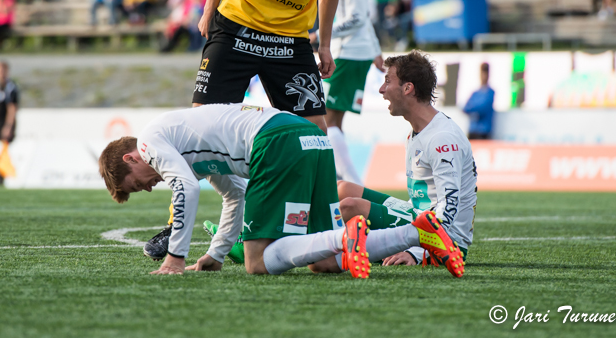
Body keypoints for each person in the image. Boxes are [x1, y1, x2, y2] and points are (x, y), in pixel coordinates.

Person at [140, 0, 377, 260]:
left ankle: (321, 227)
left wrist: (326, 43)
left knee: (317, 133)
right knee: (199, 127)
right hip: (235, 28)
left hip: (290, 42)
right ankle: (175, 226)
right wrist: (208, 9)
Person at [98, 103, 465, 278]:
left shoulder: (149, 142)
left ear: (132, 158)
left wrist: (175, 258)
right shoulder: (189, 148)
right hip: (310, 139)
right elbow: (233, 195)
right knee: (323, 264)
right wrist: (217, 252)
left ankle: (345, 237)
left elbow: (186, 191)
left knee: (258, 263)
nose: (147, 188)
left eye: (136, 183)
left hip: (277, 142)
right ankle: (418, 232)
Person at [337, 51, 477, 267]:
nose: (382, 90)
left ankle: (321, 244)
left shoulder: (442, 138)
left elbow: (448, 207)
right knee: (342, 188)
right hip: (416, 216)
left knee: (349, 207)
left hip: (444, 241)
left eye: (387, 81)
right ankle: (328, 243)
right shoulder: (417, 132)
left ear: (407, 88)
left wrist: (416, 253)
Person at [323, 0, 384, 185]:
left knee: (327, 120)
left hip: (348, 53)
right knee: (334, 122)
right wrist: (376, 48)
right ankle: (343, 178)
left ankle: (351, 182)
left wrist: (319, 36)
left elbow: (357, 17)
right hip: (353, 52)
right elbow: (364, 16)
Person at [0, 60, 19, 186]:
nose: (0, 73)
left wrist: (8, 126)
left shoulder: (10, 87)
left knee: (3, 148)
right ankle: (0, 170)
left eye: (2, 70)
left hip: (6, 121)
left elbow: (12, 109)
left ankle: (3, 174)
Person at [463, 63, 495, 140]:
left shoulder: (490, 92)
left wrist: (473, 108)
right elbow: (465, 108)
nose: (484, 76)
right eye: (482, 73)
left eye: (485, 73)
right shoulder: (475, 93)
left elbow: (483, 108)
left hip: (484, 131)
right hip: (473, 130)